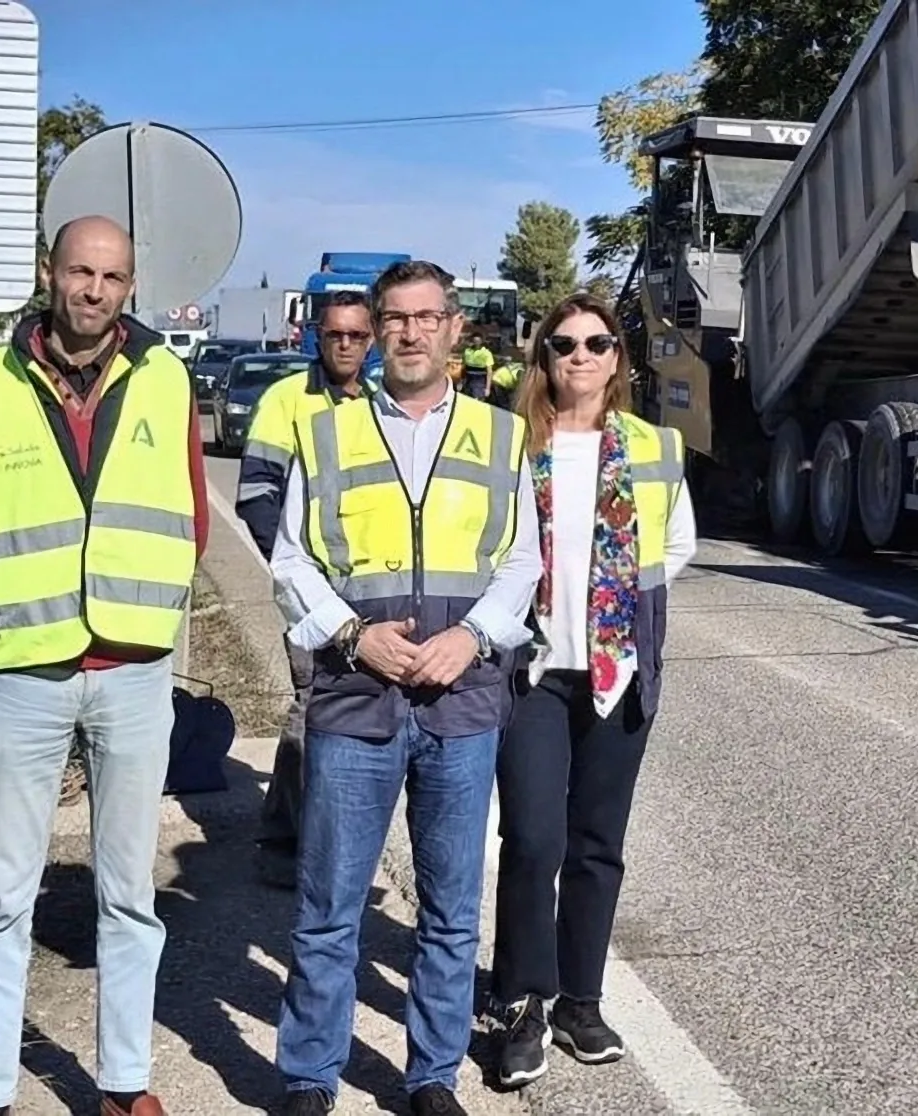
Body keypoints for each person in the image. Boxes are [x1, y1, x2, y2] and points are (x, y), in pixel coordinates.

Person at [0, 214, 208, 1116]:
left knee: (129, 894)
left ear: (131, 287)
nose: (94, 290)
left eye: (113, 277)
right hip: (25, 670)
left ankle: (123, 1084)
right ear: (50, 273)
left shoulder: (166, 377)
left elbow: (191, 512)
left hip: (133, 669)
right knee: (3, 895)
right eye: (80, 272)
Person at [269, 260, 542, 1116]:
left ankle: (431, 1077)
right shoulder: (328, 436)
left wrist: (472, 637)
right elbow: (290, 560)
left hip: (462, 706)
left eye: (429, 318)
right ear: (375, 330)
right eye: (396, 318)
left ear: (455, 328)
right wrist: (353, 635)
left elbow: (522, 560)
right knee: (327, 909)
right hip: (356, 700)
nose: (412, 333)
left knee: (452, 913)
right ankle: (309, 1078)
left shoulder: (502, 437)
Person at [488, 293, 696, 1088]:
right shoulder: (512, 446)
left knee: (597, 844)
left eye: (597, 343)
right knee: (534, 838)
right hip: (533, 671)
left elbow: (679, 541)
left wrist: (616, 606)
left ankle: (580, 998)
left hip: (617, 671)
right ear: (544, 359)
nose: (580, 355)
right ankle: (521, 1003)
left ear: (618, 360)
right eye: (564, 344)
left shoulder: (653, 446)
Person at [234, 289, 376, 888]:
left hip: (370, 589)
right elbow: (256, 494)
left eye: (356, 335)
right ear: (316, 336)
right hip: (308, 588)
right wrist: (296, 570)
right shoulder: (285, 400)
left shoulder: (381, 403)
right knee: (312, 707)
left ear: (370, 341)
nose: (344, 344)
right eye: (333, 334)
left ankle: (340, 843)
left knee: (357, 714)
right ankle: (284, 841)